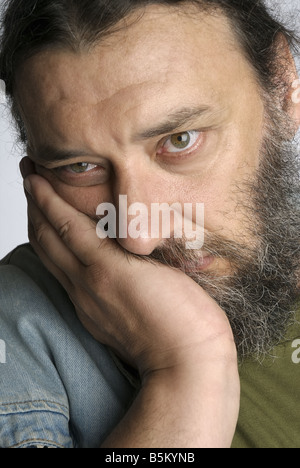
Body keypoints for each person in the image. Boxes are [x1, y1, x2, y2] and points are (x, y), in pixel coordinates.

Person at [0, 0, 299, 448]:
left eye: (180, 141)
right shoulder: (15, 336)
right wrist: (188, 370)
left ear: (282, 86)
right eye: (80, 167)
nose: (139, 235)